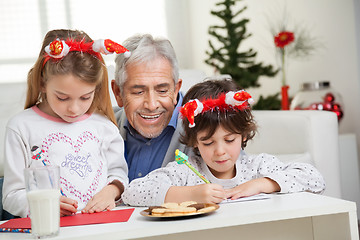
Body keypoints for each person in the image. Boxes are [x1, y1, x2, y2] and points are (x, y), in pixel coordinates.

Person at [121, 79, 326, 206]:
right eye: (208, 142)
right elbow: (132, 192)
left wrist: (261, 184)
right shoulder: (186, 172)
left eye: (229, 140)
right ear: (195, 141)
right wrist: (191, 193)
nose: (220, 151)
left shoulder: (257, 167)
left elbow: (315, 179)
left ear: (243, 135)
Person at [2, 29, 129, 218]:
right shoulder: (21, 127)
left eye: (85, 97)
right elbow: (11, 196)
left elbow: (118, 174)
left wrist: (111, 191)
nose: (75, 109)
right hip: (51, 229)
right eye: (62, 98)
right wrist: (45, 204)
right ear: (43, 83)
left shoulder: (104, 127)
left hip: (104, 226)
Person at [111, 34, 189, 182]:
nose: (152, 105)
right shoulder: (101, 127)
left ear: (175, 90)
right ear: (118, 93)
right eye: (138, 92)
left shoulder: (206, 125)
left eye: (162, 90)